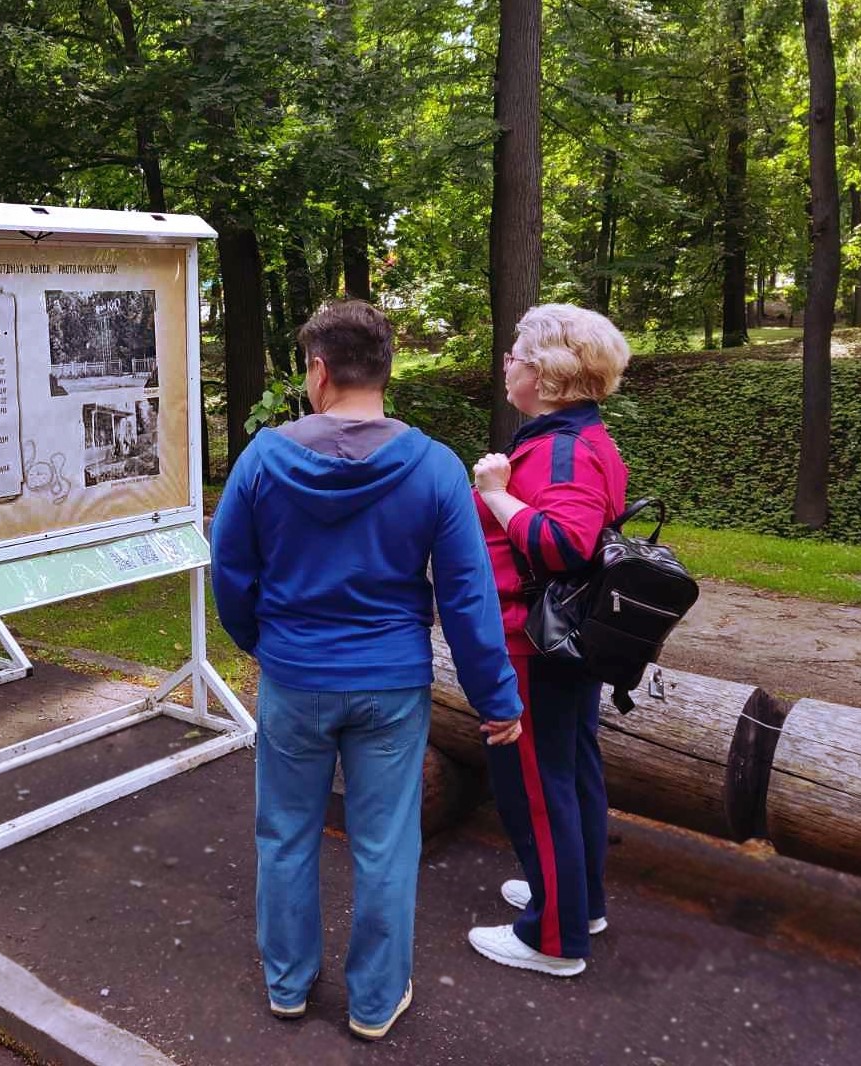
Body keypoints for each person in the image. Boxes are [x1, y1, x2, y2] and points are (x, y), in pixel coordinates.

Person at [210, 300, 523, 1041]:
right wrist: (496, 698)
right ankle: (375, 1002)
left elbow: (229, 571)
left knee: (285, 832)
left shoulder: (261, 459)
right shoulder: (434, 467)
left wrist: (265, 642)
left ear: (317, 371)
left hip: (295, 677)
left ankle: (287, 986)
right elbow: (468, 596)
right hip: (390, 682)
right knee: (386, 842)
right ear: (386, 370)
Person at [468, 303, 631, 978]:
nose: (505, 363)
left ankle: (553, 940)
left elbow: (564, 544)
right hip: (562, 641)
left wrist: (494, 493)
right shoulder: (574, 436)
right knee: (569, 774)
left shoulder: (562, 448)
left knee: (536, 786)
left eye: (513, 354)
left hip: (536, 647)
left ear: (543, 372)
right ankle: (575, 899)